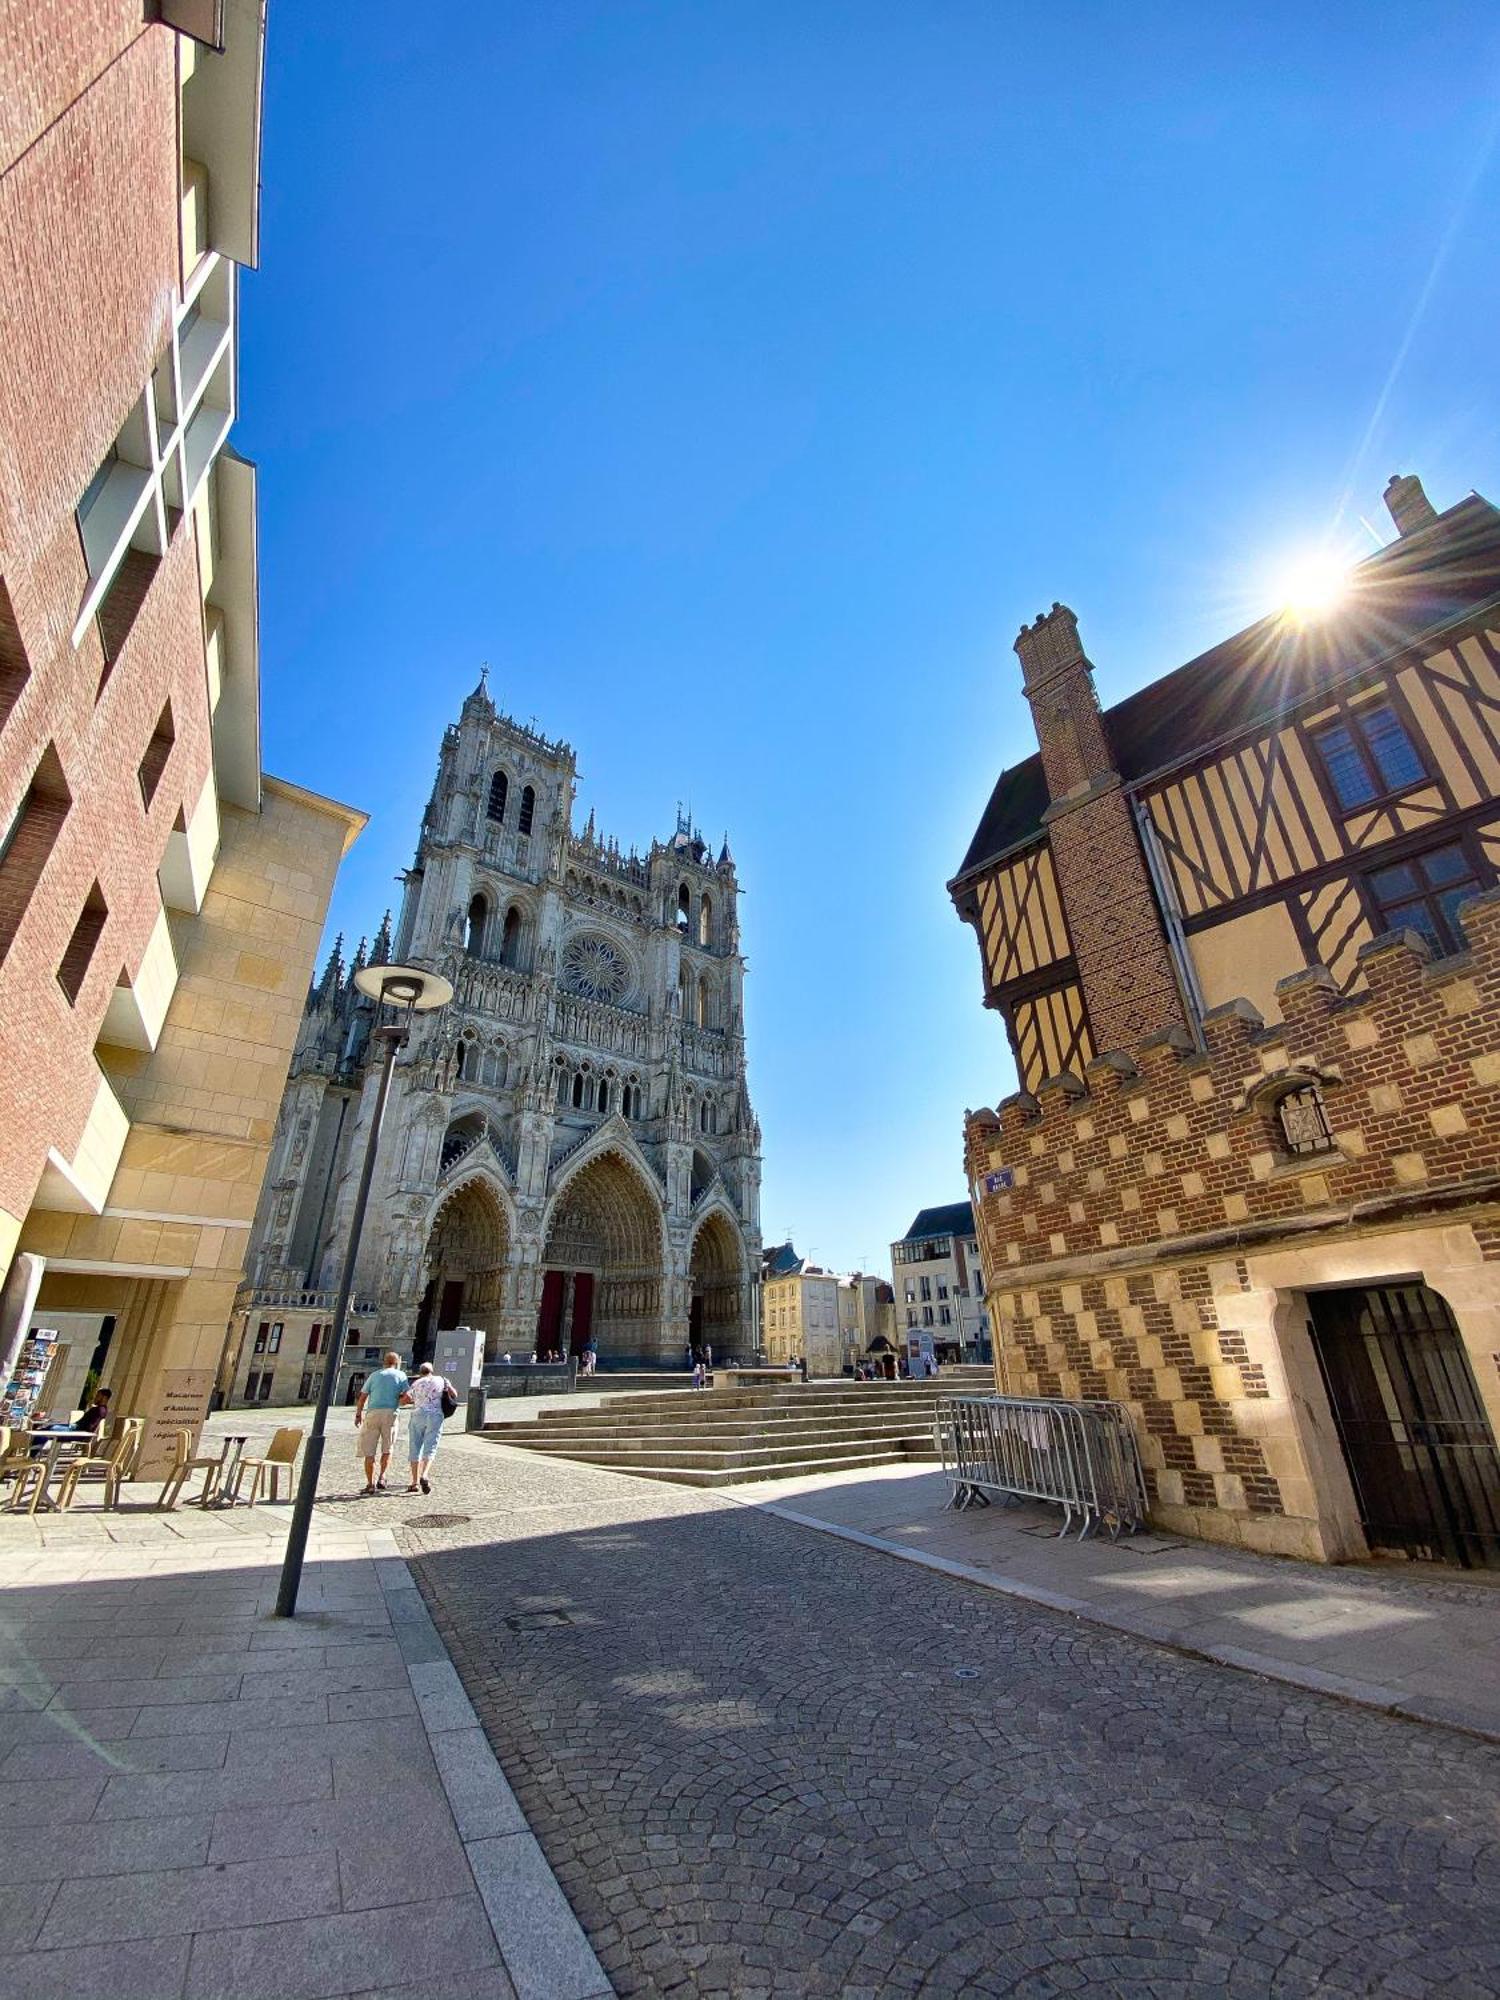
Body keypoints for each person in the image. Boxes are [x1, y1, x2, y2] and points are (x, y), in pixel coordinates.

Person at [354, 1351, 410, 1495]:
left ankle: (370, 1484)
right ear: (397, 1362)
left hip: (373, 1413)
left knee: (369, 1451)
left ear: (384, 1362)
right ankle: (382, 1476)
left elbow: (362, 1397)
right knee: (387, 1448)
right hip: (391, 1413)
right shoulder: (401, 1375)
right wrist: (399, 1402)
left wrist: (359, 1414)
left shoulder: (375, 1375)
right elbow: (406, 1397)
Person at [405, 1362, 451, 1495]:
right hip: (435, 1415)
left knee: (415, 1447)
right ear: (432, 1371)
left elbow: (406, 1398)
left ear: (421, 1372)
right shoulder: (442, 1380)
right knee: (430, 1447)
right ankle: (424, 1475)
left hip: (418, 1415)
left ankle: (414, 1482)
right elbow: (454, 1393)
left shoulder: (416, 1383)